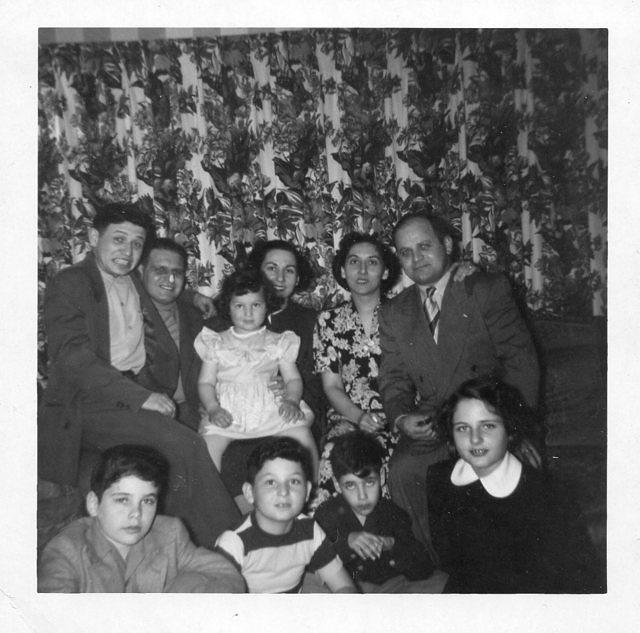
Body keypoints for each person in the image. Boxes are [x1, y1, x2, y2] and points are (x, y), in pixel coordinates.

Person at [38, 202, 240, 548]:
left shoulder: (131, 277)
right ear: (92, 237)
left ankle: (184, 551)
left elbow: (163, 282)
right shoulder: (71, 283)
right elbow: (73, 359)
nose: (127, 251)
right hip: (86, 404)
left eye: (135, 244)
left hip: (127, 396)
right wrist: (141, 397)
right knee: (186, 445)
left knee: (162, 466)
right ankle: (239, 549)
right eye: (118, 240)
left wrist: (194, 296)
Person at [378, 211, 540, 550]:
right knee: (404, 470)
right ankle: (438, 561)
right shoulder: (395, 311)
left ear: (447, 244)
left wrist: (516, 429)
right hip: (437, 421)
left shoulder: (483, 289)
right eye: (405, 252)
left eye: (424, 246)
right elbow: (393, 378)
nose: (415, 258)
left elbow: (521, 363)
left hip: (491, 417)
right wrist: (403, 417)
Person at [427, 376, 598, 593]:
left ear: (510, 430)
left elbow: (575, 578)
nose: (475, 439)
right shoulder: (440, 478)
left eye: (488, 426)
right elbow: (450, 560)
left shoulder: (547, 495)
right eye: (462, 428)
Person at [38, 444, 245, 593]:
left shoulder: (170, 533)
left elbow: (225, 575)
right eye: (122, 500)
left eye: (147, 501)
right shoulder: (66, 552)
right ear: (94, 504)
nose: (136, 513)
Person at [194, 268, 318, 475]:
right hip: (228, 411)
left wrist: (292, 400)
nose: (248, 313)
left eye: (256, 305)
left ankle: (314, 492)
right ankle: (211, 503)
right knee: (207, 447)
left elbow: (293, 379)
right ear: (228, 307)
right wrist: (213, 407)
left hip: (270, 410)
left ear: (267, 305)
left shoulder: (278, 341)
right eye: (240, 306)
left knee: (302, 435)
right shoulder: (215, 341)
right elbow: (205, 383)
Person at [312, 232, 401, 508]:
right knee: (332, 458)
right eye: (354, 262)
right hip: (349, 418)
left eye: (372, 262)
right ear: (342, 270)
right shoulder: (328, 320)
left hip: (399, 416)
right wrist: (359, 417)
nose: (362, 271)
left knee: (396, 462)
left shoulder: (404, 314)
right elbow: (332, 387)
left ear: (385, 271)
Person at [214, 436, 357, 593]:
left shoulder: (310, 530)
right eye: (270, 482)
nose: (284, 492)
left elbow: (343, 585)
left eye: (294, 482)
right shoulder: (234, 542)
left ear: (308, 491)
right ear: (250, 493)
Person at [314, 431, 448, 593]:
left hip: (390, 589)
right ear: (337, 485)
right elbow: (311, 559)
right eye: (350, 485)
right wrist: (346, 542)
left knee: (441, 582)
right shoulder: (326, 514)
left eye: (369, 482)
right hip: (346, 589)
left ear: (382, 477)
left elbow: (423, 568)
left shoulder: (393, 514)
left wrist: (391, 544)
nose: (362, 496)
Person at [135, 237, 204, 430]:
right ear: (141, 270)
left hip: (194, 413)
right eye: (160, 270)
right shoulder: (129, 313)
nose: (170, 279)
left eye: (177, 272)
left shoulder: (196, 313)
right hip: (146, 417)